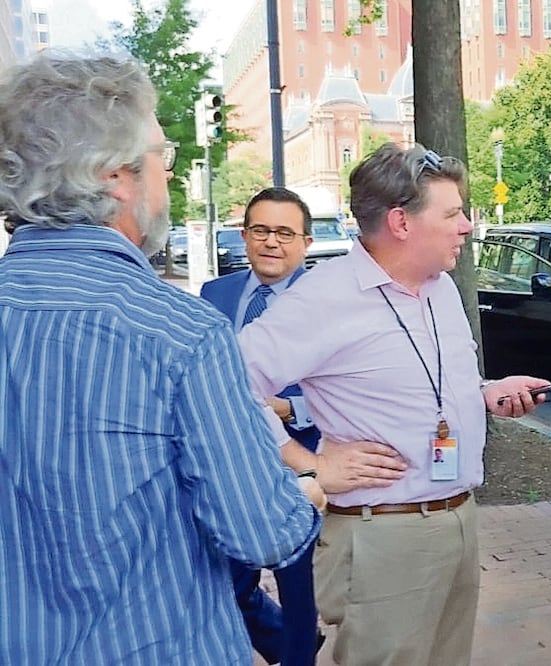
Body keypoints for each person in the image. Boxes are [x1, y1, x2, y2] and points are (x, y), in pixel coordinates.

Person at [0, 53, 321, 664]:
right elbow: (261, 533)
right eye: (161, 159)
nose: (167, 179)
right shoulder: (180, 331)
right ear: (114, 176)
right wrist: (309, 484)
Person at [234, 142, 551, 665]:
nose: (466, 227)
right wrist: (306, 463)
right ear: (402, 222)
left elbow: (430, 387)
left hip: (459, 521)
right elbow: (224, 385)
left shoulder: (441, 289)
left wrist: (484, 394)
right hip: (384, 536)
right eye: (452, 214)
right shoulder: (324, 297)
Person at [202, 187, 405, 665]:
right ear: (244, 235)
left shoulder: (327, 298)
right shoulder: (216, 294)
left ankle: (298, 654)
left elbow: (356, 382)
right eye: (260, 231)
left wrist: (292, 411)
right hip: (232, 460)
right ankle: (281, 644)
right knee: (228, 576)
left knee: (300, 587)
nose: (271, 242)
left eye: (284, 233)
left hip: (303, 462)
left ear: (306, 243)